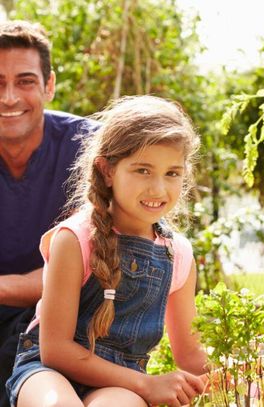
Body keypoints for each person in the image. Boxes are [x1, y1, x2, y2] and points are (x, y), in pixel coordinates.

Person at [6, 95, 208, 406]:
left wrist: (255, 369)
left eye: (172, 173)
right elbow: (56, 349)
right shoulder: (75, 239)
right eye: (143, 170)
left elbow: (190, 354)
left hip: (121, 379)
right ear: (107, 170)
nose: (158, 189)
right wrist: (147, 384)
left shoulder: (177, 254)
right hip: (48, 371)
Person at [0, 20, 96, 406]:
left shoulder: (89, 148)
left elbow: (93, 262)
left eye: (24, 81)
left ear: (49, 85)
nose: (9, 98)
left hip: (63, 323)